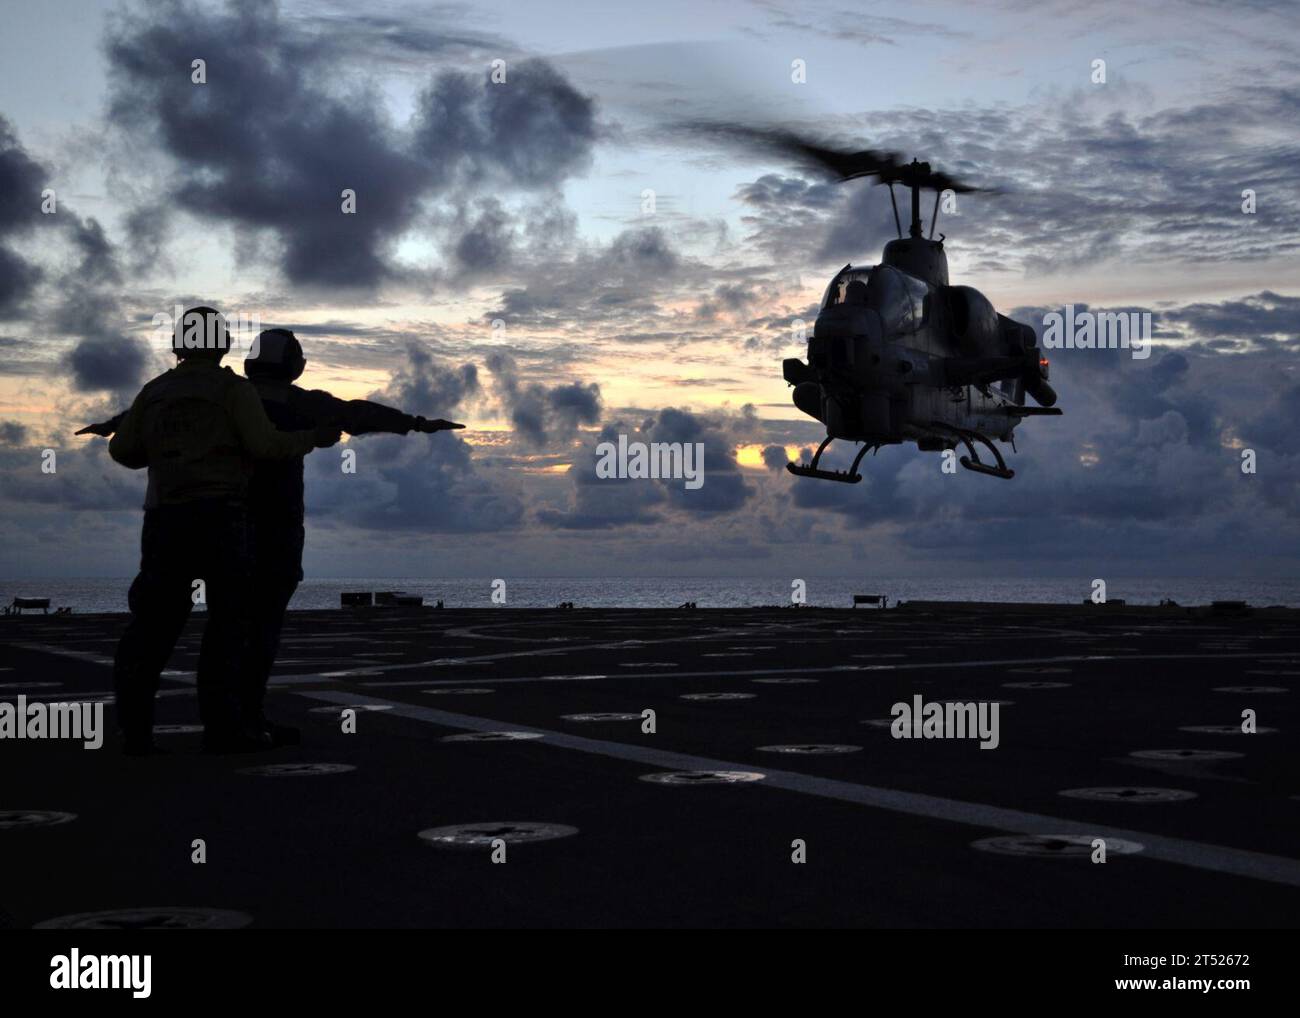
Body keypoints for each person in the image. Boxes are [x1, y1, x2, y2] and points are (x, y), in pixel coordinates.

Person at [81, 326, 462, 743]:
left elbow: (149, 418)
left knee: (168, 627)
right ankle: (239, 722)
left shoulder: (202, 392)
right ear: (294, 366)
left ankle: (143, 729)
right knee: (251, 631)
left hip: (191, 521)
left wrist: (111, 424)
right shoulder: (295, 404)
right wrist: (416, 423)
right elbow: (357, 414)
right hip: (263, 530)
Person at [96, 307, 340, 755]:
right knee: (229, 626)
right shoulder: (232, 390)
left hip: (164, 519)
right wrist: (313, 437)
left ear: (179, 344)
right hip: (222, 518)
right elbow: (265, 446)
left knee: (151, 628)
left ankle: (134, 731)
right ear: (222, 344)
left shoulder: (154, 392)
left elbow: (125, 452)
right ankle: (226, 728)